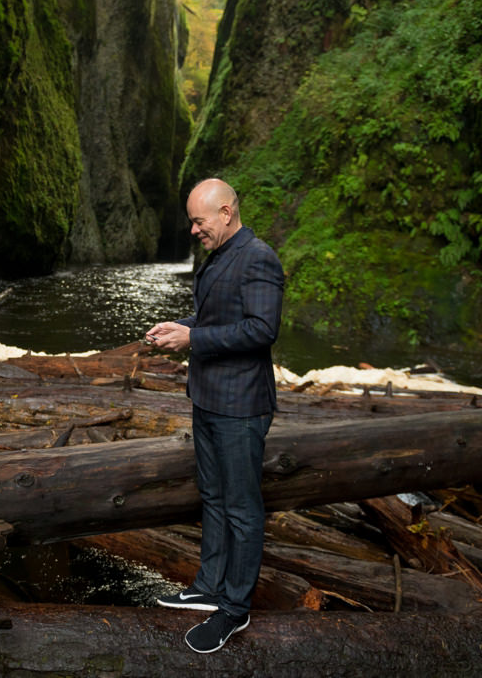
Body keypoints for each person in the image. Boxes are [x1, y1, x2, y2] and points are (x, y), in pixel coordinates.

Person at [146, 178, 284, 654]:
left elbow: (262, 330)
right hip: (208, 399)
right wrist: (181, 326)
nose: (193, 230)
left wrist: (193, 341)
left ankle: (234, 609)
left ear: (226, 212)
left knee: (243, 508)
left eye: (199, 221)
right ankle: (209, 585)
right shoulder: (222, 254)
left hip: (241, 405)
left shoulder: (259, 257)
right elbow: (220, 318)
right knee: (214, 496)